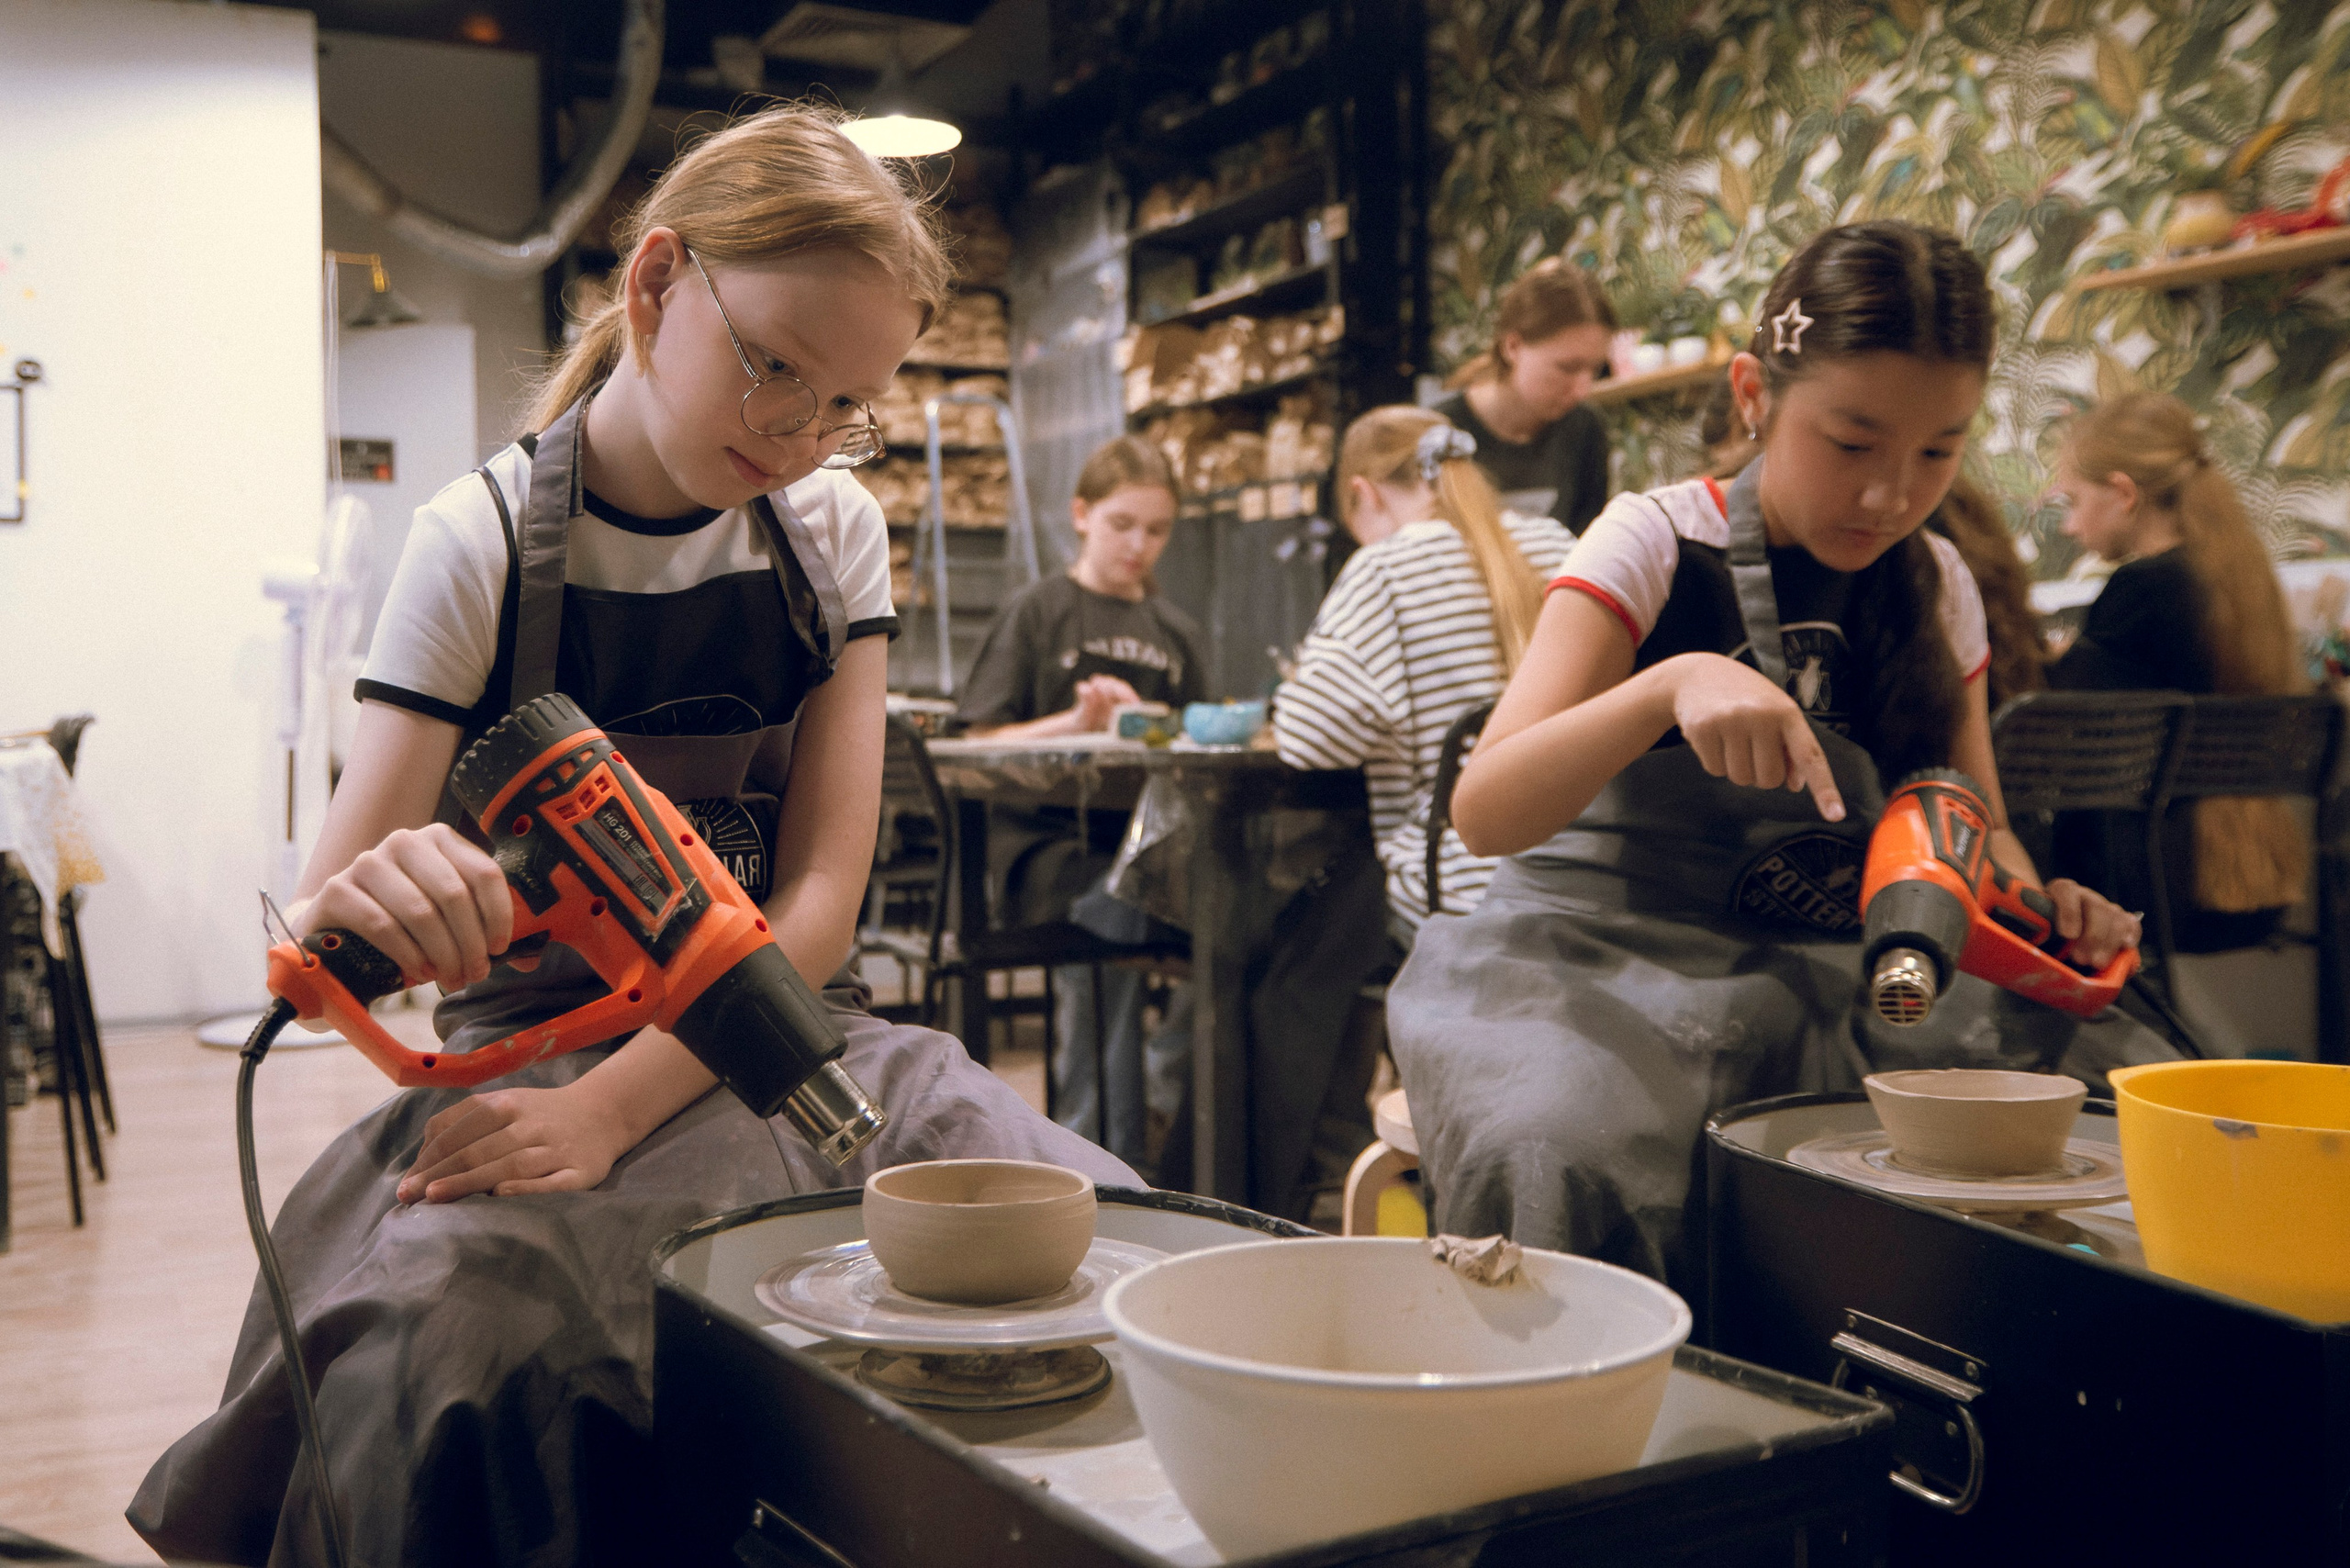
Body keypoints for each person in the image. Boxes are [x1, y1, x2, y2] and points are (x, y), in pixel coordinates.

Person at [131, 106, 1135, 1568]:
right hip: (539, 1047)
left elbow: (819, 898)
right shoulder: (478, 541)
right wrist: (394, 903)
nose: (797, 437)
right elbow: (324, 920)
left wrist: (620, 1114)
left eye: (844, 405)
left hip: (798, 1034)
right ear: (658, 284)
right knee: (462, 1365)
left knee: (1101, 1233)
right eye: (775, 366)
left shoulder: (831, 530)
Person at [1386, 220, 2175, 1293]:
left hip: (1835, 962)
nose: (1890, 495)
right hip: (1596, 957)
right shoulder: (1651, 542)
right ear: (1754, 394)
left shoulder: (1937, 581)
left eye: (1936, 451)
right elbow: (1484, 811)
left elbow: (1973, 830)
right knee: (1560, 1149)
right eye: (1851, 443)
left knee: (2129, 1100)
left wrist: (2049, 918)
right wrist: (1664, 686)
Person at [955, 436, 1206, 1167]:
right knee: (1114, 938)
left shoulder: (1176, 633)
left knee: (1243, 929)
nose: (1139, 545)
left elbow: (1195, 745)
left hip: (1149, 848)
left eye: (1157, 531)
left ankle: (1168, 1127)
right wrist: (1074, 722)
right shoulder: (1038, 612)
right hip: (1046, 850)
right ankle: (1100, 1160)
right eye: (1123, 524)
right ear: (1082, 515)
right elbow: (977, 738)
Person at [1273, 408, 1574, 933]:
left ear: (1364, 494)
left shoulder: (1384, 571)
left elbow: (1310, 740)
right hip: (1589, 868)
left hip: (1461, 887)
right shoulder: (1557, 543)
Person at [2045, 390, 2307, 950]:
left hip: (2146, 884)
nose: (2069, 527)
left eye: (2072, 501)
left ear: (2122, 493)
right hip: (2251, 873)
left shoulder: (2143, 589)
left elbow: (2055, 726)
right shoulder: (2238, 577)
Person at [1434, 257, 1617, 531]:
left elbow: (1586, 550)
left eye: (1595, 370)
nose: (1583, 390)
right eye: (1567, 368)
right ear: (1513, 347)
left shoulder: (1585, 429)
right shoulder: (1437, 433)